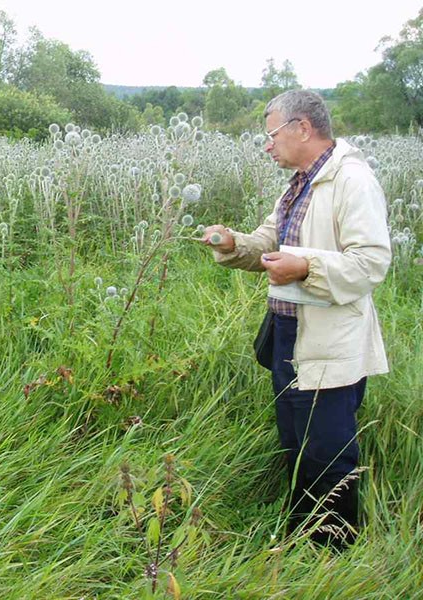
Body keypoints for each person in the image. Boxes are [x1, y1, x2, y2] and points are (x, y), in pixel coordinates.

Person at [202, 89, 391, 547]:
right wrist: (233, 245)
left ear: (302, 128)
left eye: (271, 134)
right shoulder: (300, 181)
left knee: (326, 450)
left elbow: (371, 263)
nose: (268, 145)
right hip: (289, 333)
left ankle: (334, 553)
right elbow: (273, 240)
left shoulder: (351, 181)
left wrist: (306, 268)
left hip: (328, 339)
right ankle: (301, 537)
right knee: (296, 444)